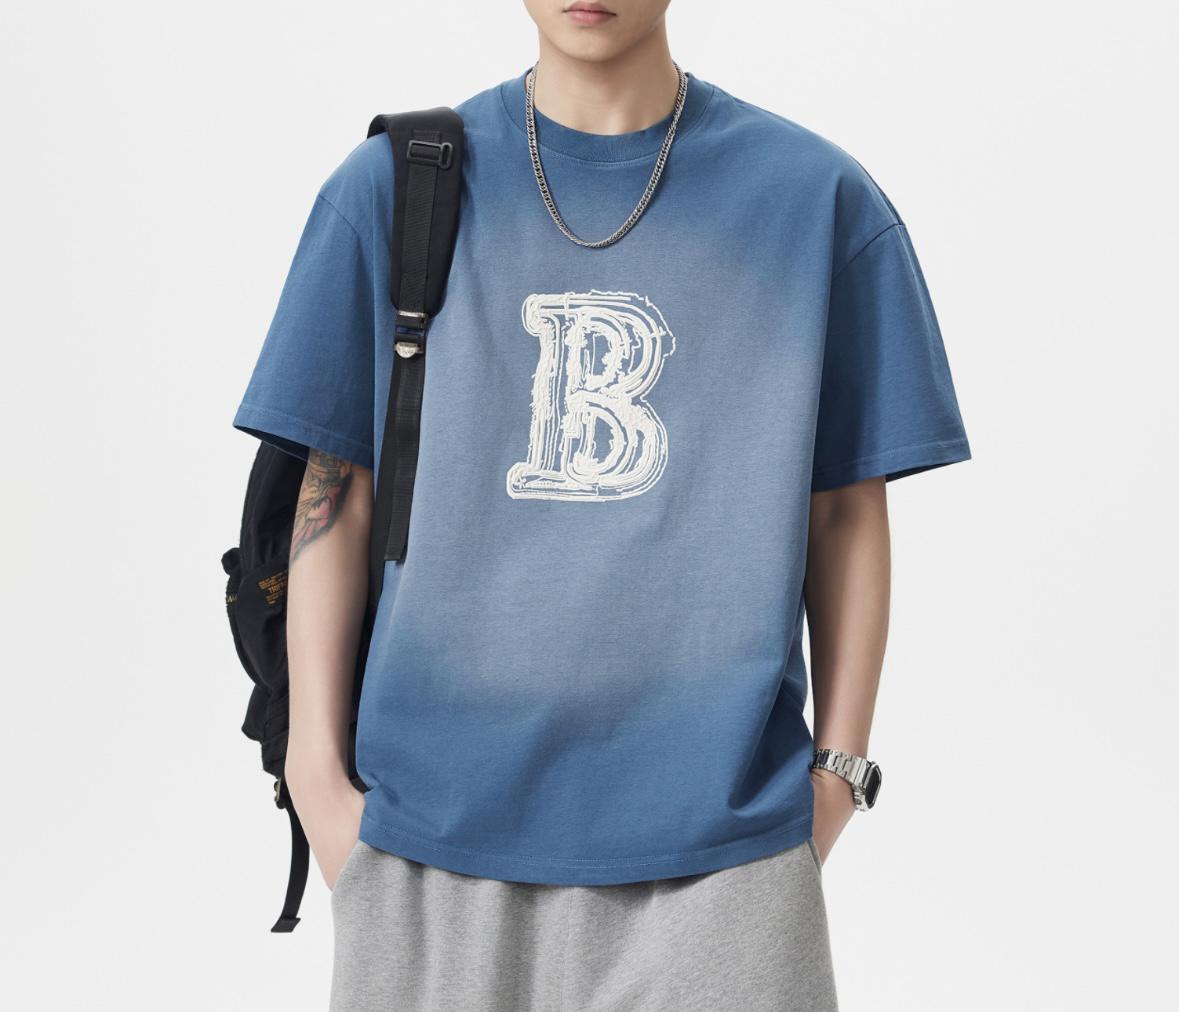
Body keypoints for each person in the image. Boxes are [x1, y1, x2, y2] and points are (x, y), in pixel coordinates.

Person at [232, 2, 970, 1008]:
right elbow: (336, 493)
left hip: (726, 855)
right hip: (428, 842)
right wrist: (319, 784)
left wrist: (836, 776)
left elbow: (845, 509)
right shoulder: (393, 189)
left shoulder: (815, 201)